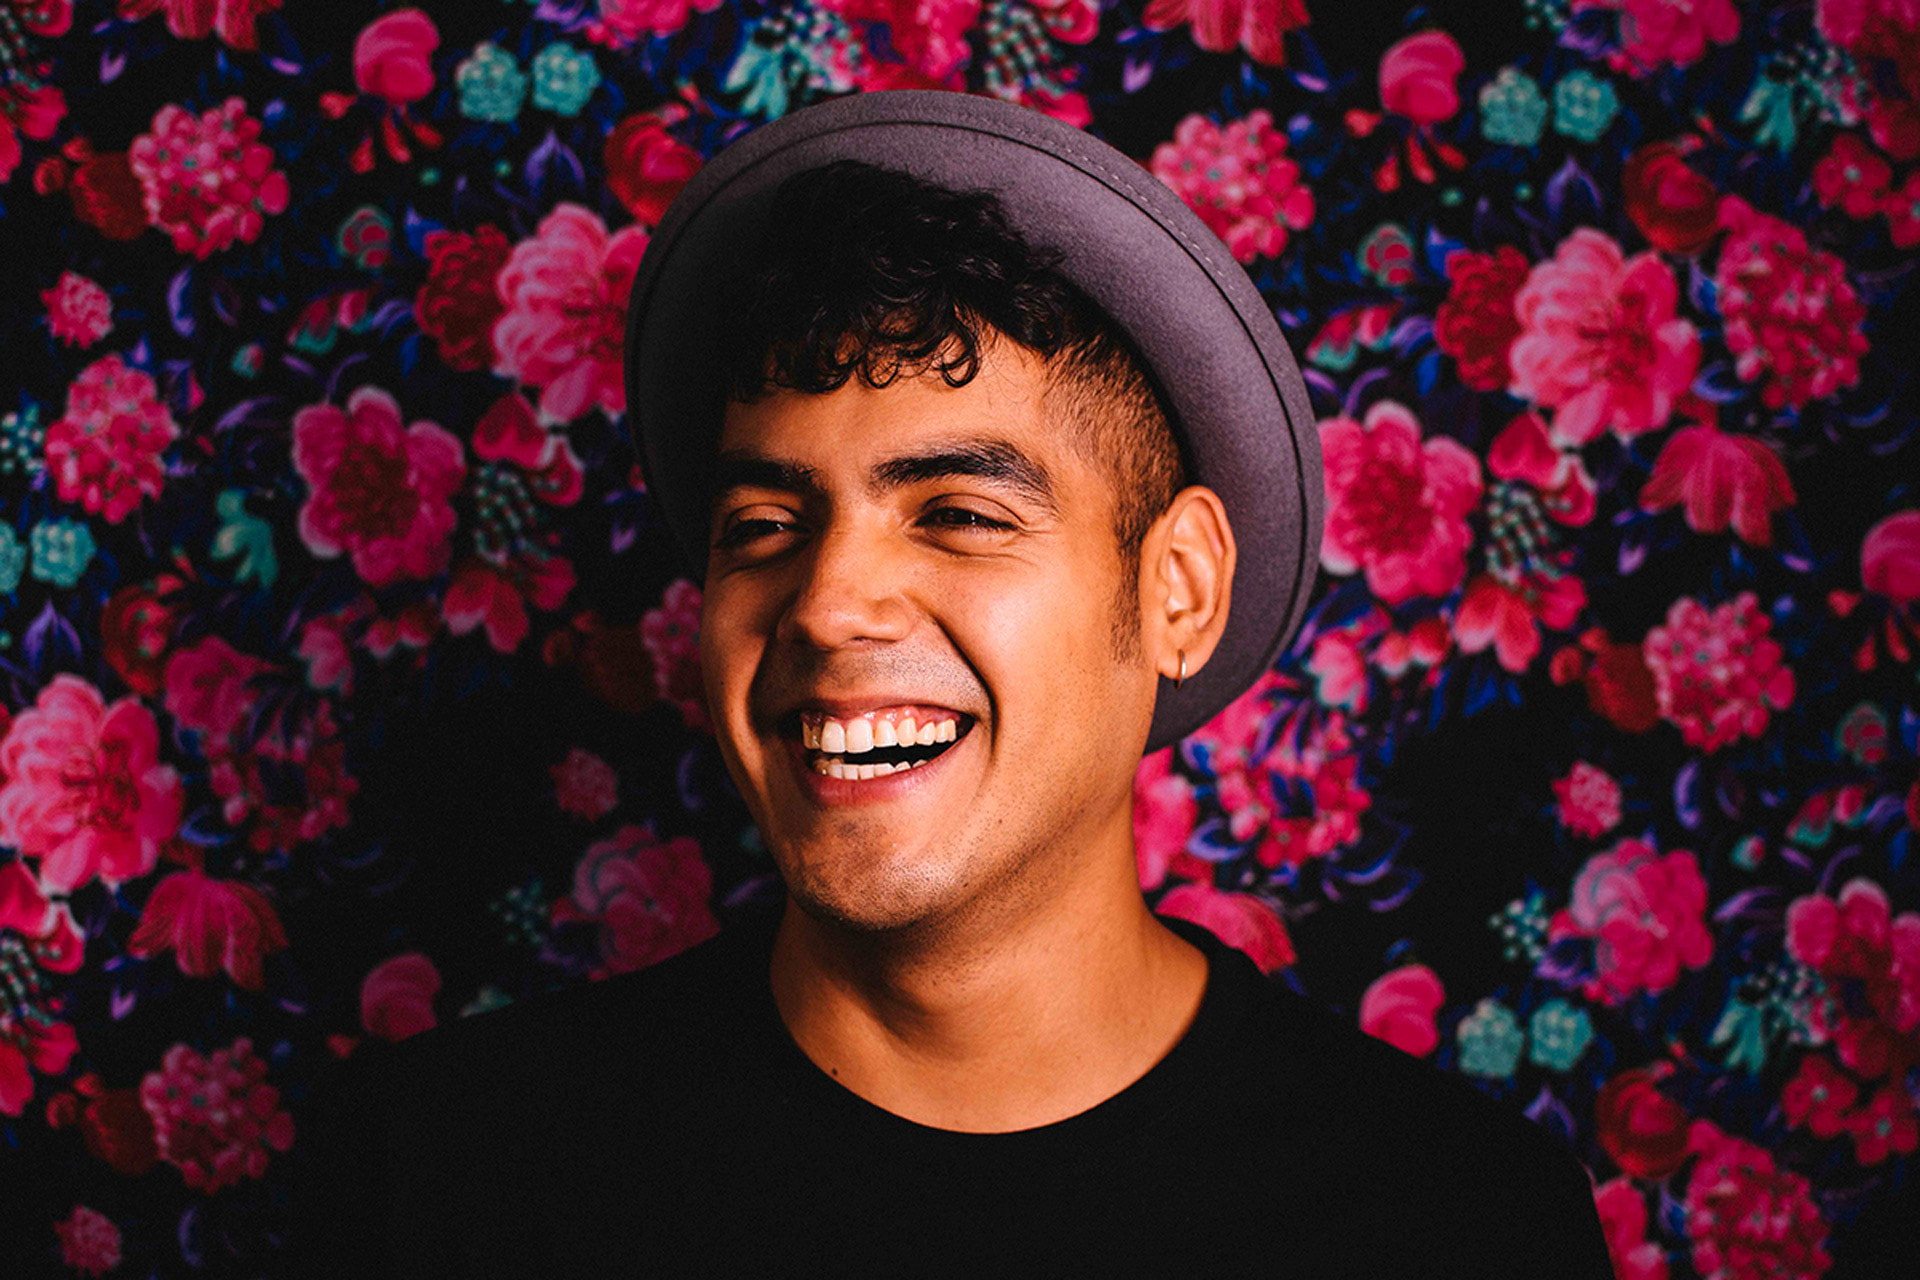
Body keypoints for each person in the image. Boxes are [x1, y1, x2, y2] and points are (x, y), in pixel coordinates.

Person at [296, 92, 1612, 1276]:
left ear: (1178, 591)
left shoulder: (1458, 1225)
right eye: (764, 525)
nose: (823, 605)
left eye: (961, 513)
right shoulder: (442, 1181)